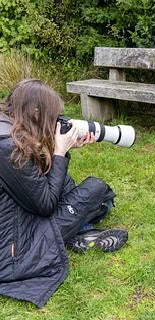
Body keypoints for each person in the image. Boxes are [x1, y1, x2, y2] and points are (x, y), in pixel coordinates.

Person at [0, 79, 128, 308]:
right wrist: (59, 152)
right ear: (36, 112)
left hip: (13, 222)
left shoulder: (6, 129)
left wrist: (63, 150)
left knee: (69, 183)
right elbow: (46, 204)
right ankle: (81, 232)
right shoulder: (7, 147)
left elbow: (33, 176)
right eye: (52, 116)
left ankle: (79, 231)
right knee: (96, 191)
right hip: (13, 256)